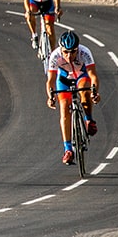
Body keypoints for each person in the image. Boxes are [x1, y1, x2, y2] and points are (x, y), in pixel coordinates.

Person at [46, 30, 101, 165]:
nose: (69, 55)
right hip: (63, 80)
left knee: (85, 92)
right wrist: (50, 97)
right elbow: (51, 81)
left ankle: (88, 119)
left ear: (78, 48)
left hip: (81, 77)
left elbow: (93, 75)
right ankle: (68, 150)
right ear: (61, 49)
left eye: (73, 51)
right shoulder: (55, 56)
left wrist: (95, 92)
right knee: (64, 107)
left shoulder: (85, 52)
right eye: (65, 52)